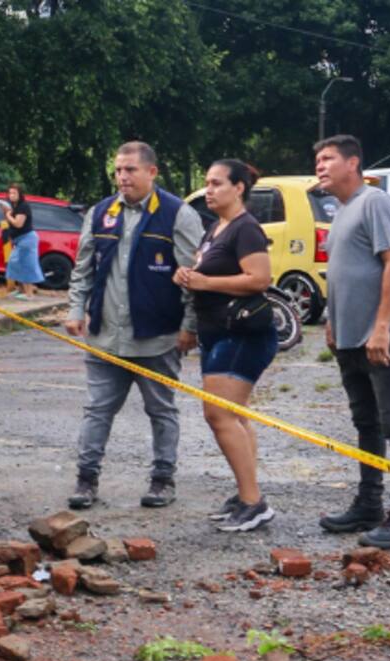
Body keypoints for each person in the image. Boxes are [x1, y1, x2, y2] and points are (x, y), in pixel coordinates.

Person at [64, 141, 203, 510]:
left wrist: (189, 326)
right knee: (96, 410)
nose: (122, 177)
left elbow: (194, 275)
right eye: (118, 171)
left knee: (161, 410)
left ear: (152, 172)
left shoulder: (177, 214)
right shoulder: (100, 214)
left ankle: (162, 479)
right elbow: (83, 269)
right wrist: (75, 310)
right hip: (105, 337)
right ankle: (86, 479)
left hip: (158, 338)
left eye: (130, 170)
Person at [314, 134, 390, 549]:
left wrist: (382, 327)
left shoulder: (374, 202)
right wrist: (330, 319)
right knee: (366, 425)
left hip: (381, 338)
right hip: (349, 340)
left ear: (353, 163)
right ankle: (369, 504)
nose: (320, 166)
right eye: (317, 160)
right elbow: (343, 272)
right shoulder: (341, 211)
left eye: (328, 159)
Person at [173, 160, 276, 532]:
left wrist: (204, 283)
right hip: (216, 331)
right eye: (206, 183)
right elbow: (205, 272)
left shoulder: (246, 229)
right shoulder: (216, 228)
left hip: (243, 333)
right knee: (235, 415)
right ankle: (246, 492)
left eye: (217, 183)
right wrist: (186, 276)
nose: (209, 190)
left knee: (218, 416)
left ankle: (254, 503)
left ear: (239, 188)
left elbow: (259, 279)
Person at [2, 184, 43, 298]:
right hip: (18, 240)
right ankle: (21, 290)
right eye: (10, 193)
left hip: (27, 239)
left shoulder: (23, 206)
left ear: (20, 194)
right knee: (15, 263)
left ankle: (29, 294)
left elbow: (18, 223)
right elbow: (11, 222)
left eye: (14, 193)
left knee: (26, 265)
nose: (11, 195)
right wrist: (7, 212)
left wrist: (8, 215)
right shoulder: (13, 207)